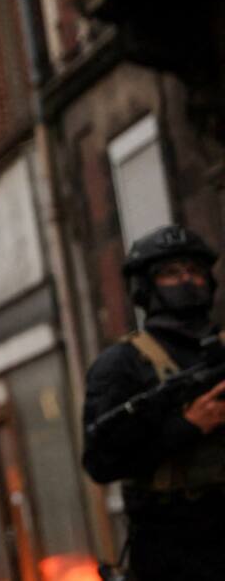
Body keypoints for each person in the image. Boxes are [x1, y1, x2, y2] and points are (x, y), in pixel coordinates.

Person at [82, 224, 225, 580]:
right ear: (146, 287)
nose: (187, 280)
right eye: (171, 273)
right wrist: (187, 427)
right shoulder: (122, 364)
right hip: (171, 546)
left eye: (194, 271)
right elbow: (101, 462)